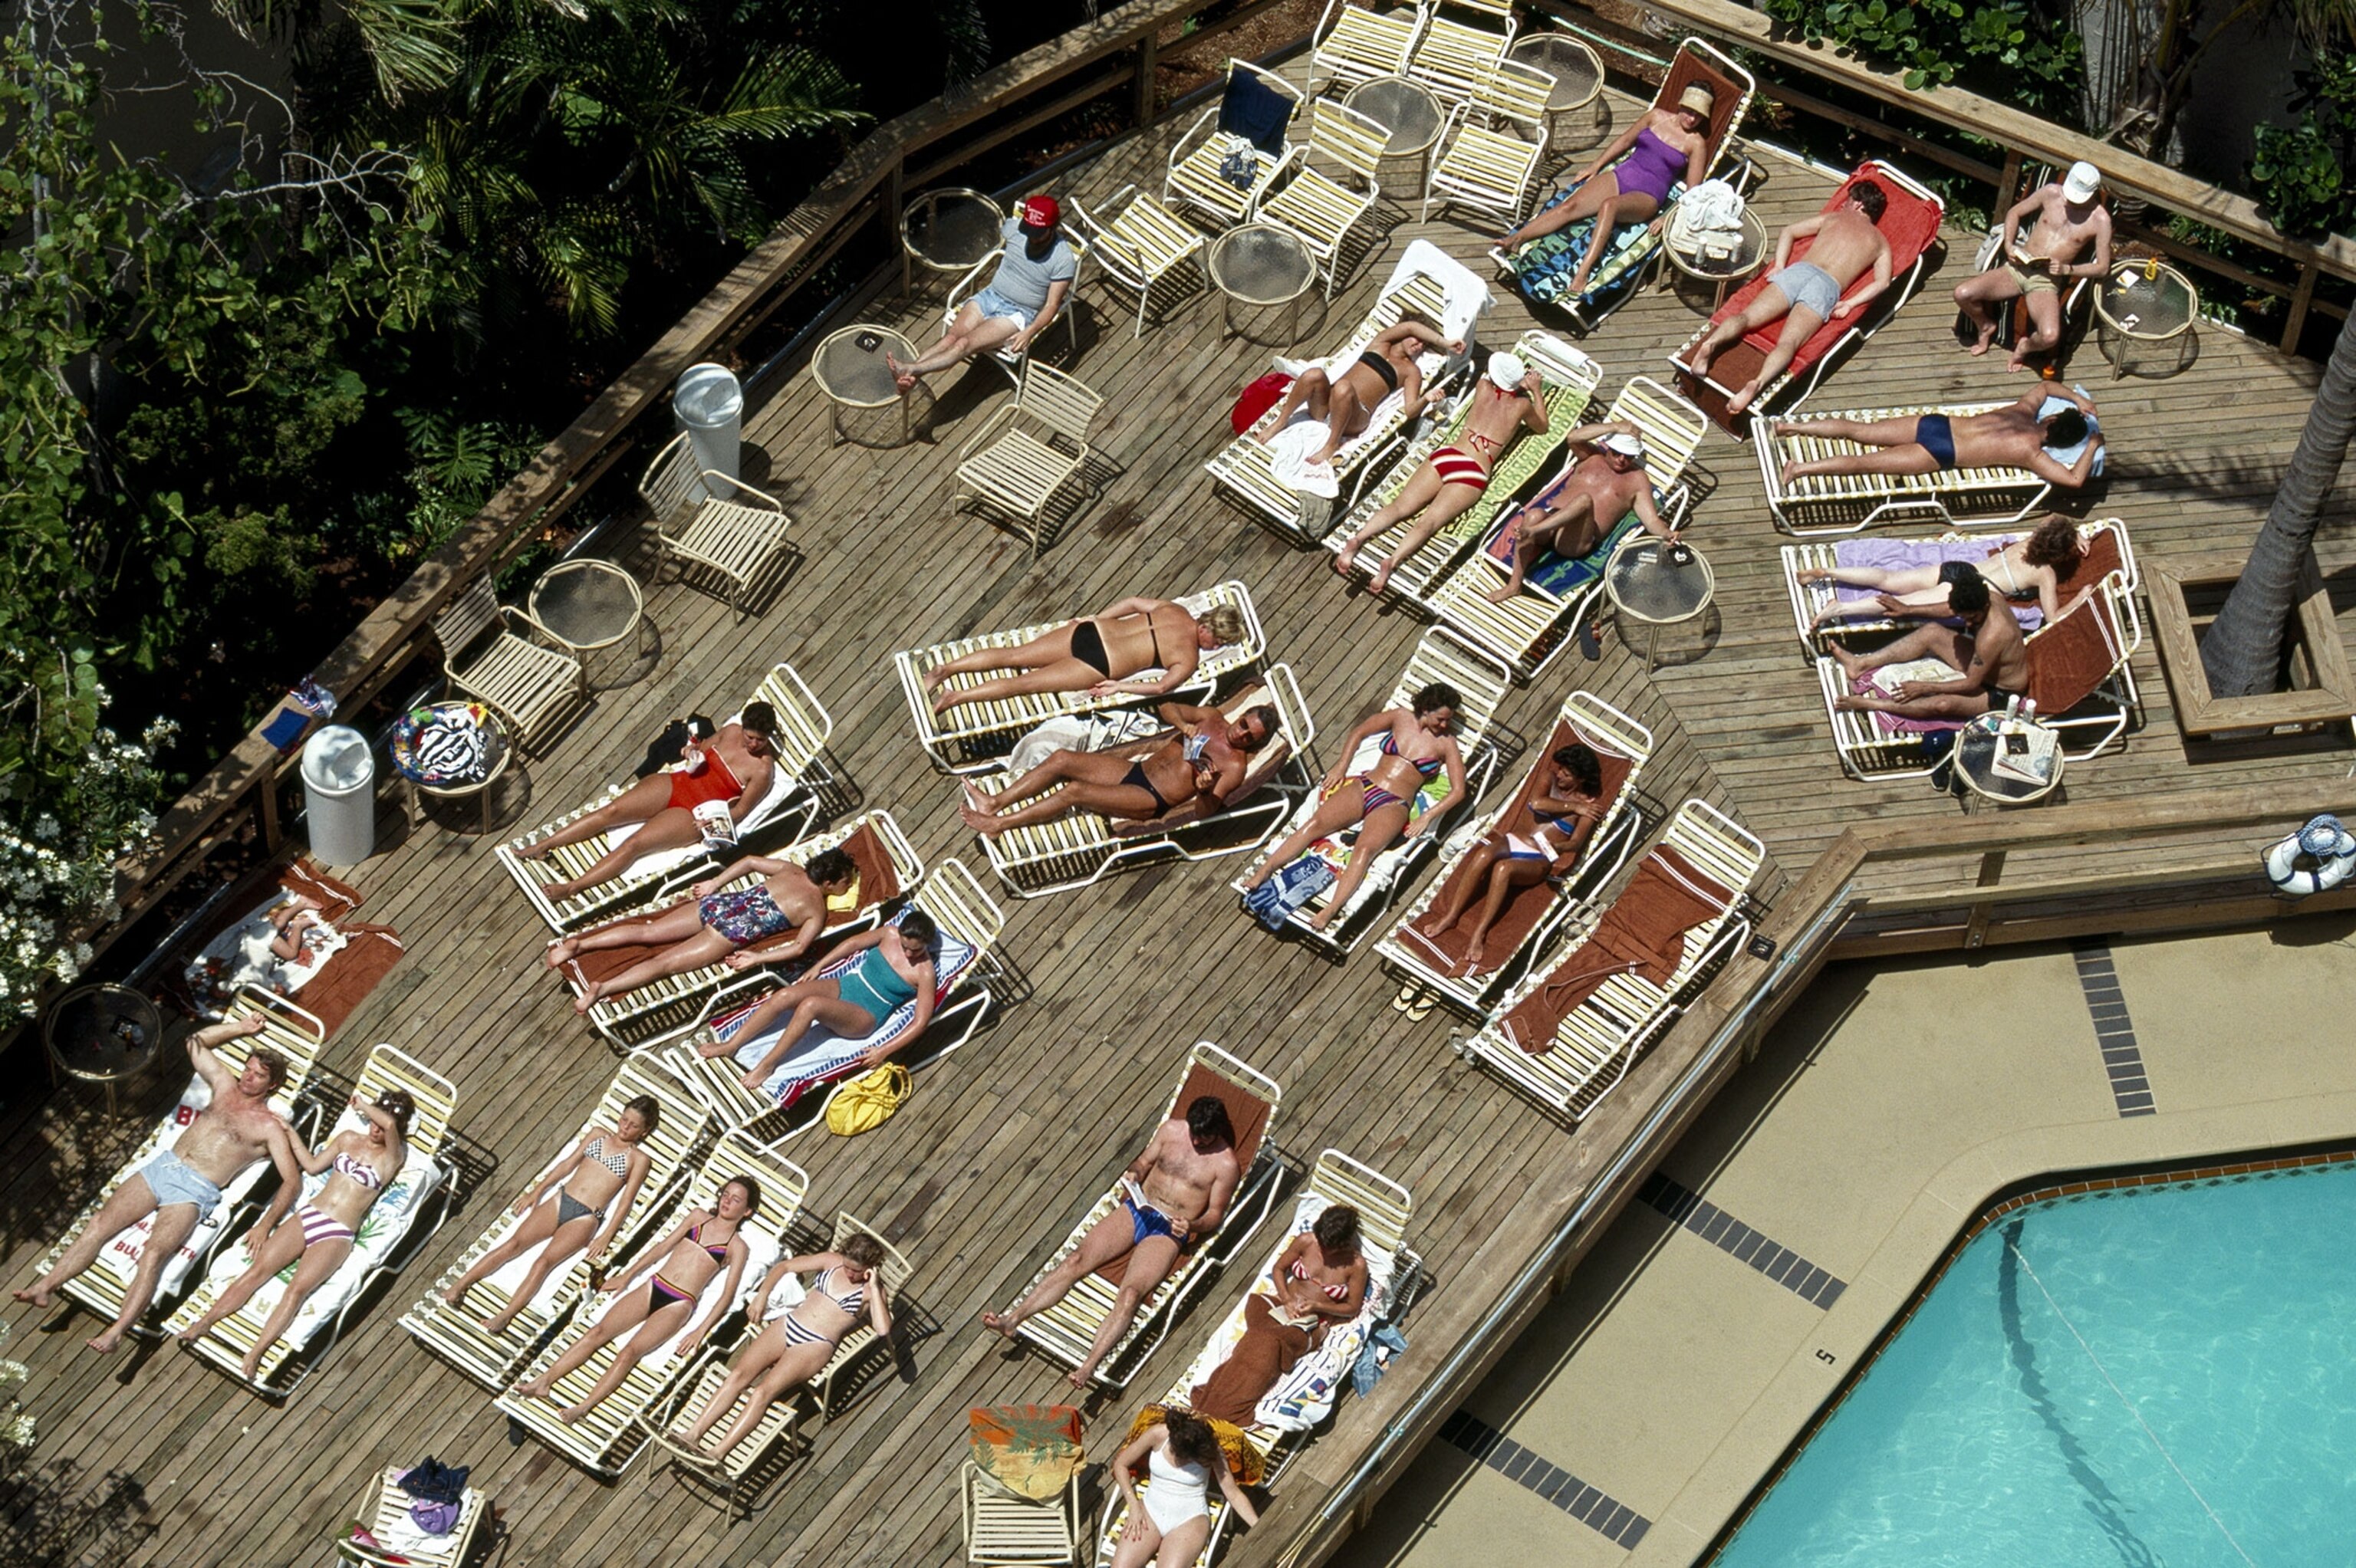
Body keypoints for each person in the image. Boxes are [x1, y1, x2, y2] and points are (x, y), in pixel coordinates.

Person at [17, 1016, 296, 1353]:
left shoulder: (269, 1128)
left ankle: (117, 1331)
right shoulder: (224, 1086)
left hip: (195, 1191)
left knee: (153, 1255)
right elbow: (195, 1041)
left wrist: (265, 1225)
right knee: (99, 1223)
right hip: (163, 1167)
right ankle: (45, 1287)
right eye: (248, 1069)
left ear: (273, 1086)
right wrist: (241, 1028)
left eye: (259, 1075)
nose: (248, 1077)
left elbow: (292, 1180)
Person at [982, 1095, 1242, 1389]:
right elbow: (1144, 1161)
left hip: (1168, 1230)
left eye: (1204, 1137)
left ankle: (1088, 1366)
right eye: (1194, 1133)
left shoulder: (1225, 1164)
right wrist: (1135, 1172)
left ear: (1218, 1131)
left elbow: (1215, 1215)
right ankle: (1012, 1319)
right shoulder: (1172, 1131)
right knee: (1075, 1260)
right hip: (1138, 1208)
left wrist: (1192, 1225)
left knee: (1131, 1294)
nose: (1196, 1141)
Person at [176, 1090, 413, 1379]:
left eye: (382, 1124)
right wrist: (290, 1134)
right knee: (257, 1271)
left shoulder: (394, 1155)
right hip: (311, 1214)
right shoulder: (348, 1139)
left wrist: (363, 1105)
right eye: (374, 1122)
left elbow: (389, 1126)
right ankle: (205, 1322)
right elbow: (312, 1166)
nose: (376, 1128)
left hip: (337, 1231)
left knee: (297, 1290)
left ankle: (256, 1353)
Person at [512, 1175, 760, 1422]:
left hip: (679, 1303)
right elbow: (662, 1248)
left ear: (747, 1211)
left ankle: (584, 1407)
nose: (727, 1201)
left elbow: (728, 1295)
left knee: (629, 1352)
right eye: (725, 1194)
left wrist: (700, 1331)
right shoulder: (698, 1217)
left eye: (736, 1199)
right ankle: (543, 1382)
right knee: (597, 1332)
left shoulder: (737, 1247)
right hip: (654, 1284)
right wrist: (628, 1277)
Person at [1240, 684, 1469, 931]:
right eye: (1442, 719)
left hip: (1393, 803)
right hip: (1366, 784)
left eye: (1449, 721)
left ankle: (1331, 909)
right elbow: (1359, 732)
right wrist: (1341, 766)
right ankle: (1265, 871)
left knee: (1364, 852)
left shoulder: (1447, 744)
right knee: (1314, 824)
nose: (1445, 725)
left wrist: (1427, 816)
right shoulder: (1399, 716)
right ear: (1426, 708)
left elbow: (1458, 791)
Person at [436, 1095, 660, 1333]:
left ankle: (505, 1316)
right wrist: (537, 1191)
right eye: (624, 1119)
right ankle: (459, 1287)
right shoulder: (598, 1134)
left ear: (644, 1131)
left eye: (633, 1125)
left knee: (543, 1263)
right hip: (560, 1199)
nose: (625, 1127)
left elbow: (626, 1201)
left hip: (585, 1218)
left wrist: (606, 1236)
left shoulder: (639, 1159)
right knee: (513, 1244)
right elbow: (567, 1165)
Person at [1333, 353, 1551, 595]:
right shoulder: (1521, 406)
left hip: (1450, 454)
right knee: (1428, 522)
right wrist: (1536, 390)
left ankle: (1357, 539)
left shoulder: (1482, 387)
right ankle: (1391, 561)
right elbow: (1542, 427)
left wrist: (1515, 382)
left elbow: (1494, 379)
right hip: (1475, 468)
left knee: (1399, 507)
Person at [518, 703, 783, 902]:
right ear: (744, 727)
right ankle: (545, 845)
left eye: (760, 739)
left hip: (694, 812)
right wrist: (690, 750)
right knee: (612, 811)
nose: (753, 743)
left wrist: (712, 821)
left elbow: (740, 811)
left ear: (768, 736)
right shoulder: (730, 731)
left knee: (635, 843)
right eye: (750, 736)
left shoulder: (762, 770)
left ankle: (573, 887)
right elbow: (699, 749)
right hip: (679, 782)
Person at [666, 1234, 893, 1465]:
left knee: (762, 1393)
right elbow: (784, 1266)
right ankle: (693, 1434)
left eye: (857, 1271)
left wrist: (874, 1287)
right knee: (738, 1376)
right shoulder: (831, 1261)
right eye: (847, 1266)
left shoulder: (870, 1292)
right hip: (790, 1324)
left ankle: (718, 1452)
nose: (850, 1274)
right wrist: (762, 1295)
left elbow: (883, 1328)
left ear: (870, 1267)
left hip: (815, 1344)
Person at [545, 848, 859, 1015]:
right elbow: (800, 948)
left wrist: (714, 884)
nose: (849, 886)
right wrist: (755, 958)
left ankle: (578, 944)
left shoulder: (790, 869)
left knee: (647, 932)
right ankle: (602, 988)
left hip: (719, 905)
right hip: (729, 933)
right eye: (847, 882)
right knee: (663, 964)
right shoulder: (817, 909)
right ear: (829, 883)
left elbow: (749, 861)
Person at [1689, 181, 1894, 417]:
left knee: (1745, 318)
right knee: (1788, 344)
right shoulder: (1880, 243)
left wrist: (1779, 266)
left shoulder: (1834, 218)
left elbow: (1789, 230)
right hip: (1826, 287)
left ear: (1858, 204)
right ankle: (1757, 382)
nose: (1843, 204)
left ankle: (1710, 345)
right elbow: (1882, 283)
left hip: (1799, 272)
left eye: (1848, 200)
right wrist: (1850, 303)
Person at [1499, 81, 1716, 302]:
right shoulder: (1655, 116)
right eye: (1689, 111)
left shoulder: (1696, 143)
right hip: (1621, 175)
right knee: (1570, 206)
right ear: (1681, 104)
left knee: (1609, 206)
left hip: (1648, 196)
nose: (1691, 119)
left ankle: (1582, 273)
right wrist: (1596, 165)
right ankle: (1517, 238)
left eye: (1698, 116)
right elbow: (1625, 140)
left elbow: (1693, 192)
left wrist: (1667, 216)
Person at [959, 702, 1279, 837]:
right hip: (1135, 769)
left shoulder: (1234, 766)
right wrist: (1184, 725)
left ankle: (999, 823)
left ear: (1254, 744)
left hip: (1150, 797)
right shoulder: (1211, 717)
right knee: (1061, 758)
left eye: (1250, 737)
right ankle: (994, 802)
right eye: (1243, 725)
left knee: (1075, 791)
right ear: (1241, 716)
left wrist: (1205, 789)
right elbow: (1166, 707)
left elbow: (1205, 812)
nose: (1241, 734)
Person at [1420, 743, 1609, 969]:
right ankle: (1450, 916)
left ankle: (1478, 934)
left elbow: (1576, 843)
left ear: (1582, 779)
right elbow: (1536, 803)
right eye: (1561, 769)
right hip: (1513, 841)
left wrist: (1561, 847)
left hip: (1538, 858)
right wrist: (1573, 806)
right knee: (1483, 855)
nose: (1560, 775)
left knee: (1504, 869)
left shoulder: (1589, 808)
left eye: (1567, 775)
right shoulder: (1548, 779)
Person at [703, 912, 940, 1090]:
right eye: (905, 946)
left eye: (916, 951)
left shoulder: (925, 972)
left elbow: (920, 1022)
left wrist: (884, 1051)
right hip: (849, 985)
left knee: (811, 1006)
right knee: (785, 995)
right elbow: (853, 944)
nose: (909, 954)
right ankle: (732, 1045)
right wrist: (819, 967)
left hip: (865, 1013)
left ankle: (768, 1065)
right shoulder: (889, 933)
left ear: (927, 945)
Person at [1189, 1205, 1367, 1427]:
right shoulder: (1307, 1241)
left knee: (1264, 1341)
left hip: (1309, 1322)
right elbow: (1279, 1269)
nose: (1325, 1252)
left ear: (1345, 1243)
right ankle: (1225, 1407)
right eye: (1322, 1244)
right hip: (1278, 1306)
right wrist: (1286, 1299)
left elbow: (1352, 1307)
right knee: (1260, 1335)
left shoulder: (1356, 1265)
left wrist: (1318, 1305)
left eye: (1332, 1249)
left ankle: (1220, 1407)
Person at [923, 597, 1248, 716]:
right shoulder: (1188, 657)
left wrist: (1096, 618)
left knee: (1014, 654)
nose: (1216, 647)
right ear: (1209, 628)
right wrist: (1120, 688)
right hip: (1099, 665)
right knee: (1023, 684)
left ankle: (946, 669)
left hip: (1092, 633)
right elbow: (1162, 688)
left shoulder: (1174, 610)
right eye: (1219, 641)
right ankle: (956, 697)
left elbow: (1133, 603)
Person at [890, 195, 1078, 390]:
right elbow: (983, 232)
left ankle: (910, 370)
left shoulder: (1063, 259)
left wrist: (1030, 331)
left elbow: (1052, 305)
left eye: (1038, 232)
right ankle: (911, 374)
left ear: (1052, 227)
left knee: (963, 345)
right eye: (1029, 229)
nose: (1031, 236)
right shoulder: (1014, 229)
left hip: (1017, 314)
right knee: (951, 338)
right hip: (990, 296)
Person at [1772, 383, 2104, 491]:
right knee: (1864, 463)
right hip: (1944, 451)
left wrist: (2079, 401)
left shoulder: (2022, 411)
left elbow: (2046, 387)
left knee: (1861, 432)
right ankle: (1798, 471)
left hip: (1937, 425)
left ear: (2053, 417)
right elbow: (2075, 480)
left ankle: (1790, 428)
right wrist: (2091, 445)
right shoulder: (2032, 453)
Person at [1482, 421, 1675, 603]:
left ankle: (1532, 531)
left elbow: (1651, 520)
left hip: (1575, 540)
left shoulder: (1637, 480)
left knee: (1583, 501)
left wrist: (1666, 533)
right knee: (1533, 516)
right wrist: (1615, 426)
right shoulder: (1591, 456)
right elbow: (1573, 437)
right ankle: (1514, 585)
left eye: (1629, 456)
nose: (1622, 459)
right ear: (1608, 447)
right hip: (1551, 521)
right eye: (1617, 453)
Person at [1799, 514, 2099, 629]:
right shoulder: (2044, 573)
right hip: (1968, 586)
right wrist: (2081, 596)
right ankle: (1840, 608)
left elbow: (2054, 518)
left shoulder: (2028, 539)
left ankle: (1828, 571)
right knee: (1902, 604)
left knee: (1889, 579)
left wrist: (2074, 533)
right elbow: (2053, 617)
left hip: (1959, 568)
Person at [1955, 159, 2113, 371]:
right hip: (2018, 266)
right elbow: (2014, 213)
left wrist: (2068, 270)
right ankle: (1985, 326)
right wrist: (2010, 245)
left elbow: (2103, 267)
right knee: (1962, 293)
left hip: (2045, 281)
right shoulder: (2051, 193)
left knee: (2049, 336)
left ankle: (2024, 347)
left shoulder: (2100, 220)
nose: (2072, 202)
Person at [1257, 317, 1463, 468]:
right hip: (1328, 405)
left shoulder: (1410, 371)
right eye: (1417, 340)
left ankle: (1332, 444)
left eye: (1424, 345)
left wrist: (1425, 399)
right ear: (1403, 333)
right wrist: (1445, 343)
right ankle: (1280, 422)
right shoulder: (1380, 344)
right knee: (1313, 374)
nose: (1419, 346)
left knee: (1344, 387)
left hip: (1355, 417)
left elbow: (1410, 411)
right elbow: (1410, 326)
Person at [1829, 569, 2031, 721]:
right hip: (1984, 664)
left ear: (1985, 606)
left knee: (1943, 704)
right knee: (1932, 631)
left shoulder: (1992, 635)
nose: (1968, 624)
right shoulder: (1986, 596)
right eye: (1964, 618)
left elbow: (1971, 683)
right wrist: (1908, 609)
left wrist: (1922, 687)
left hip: (2001, 690)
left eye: (1973, 619)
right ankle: (1861, 664)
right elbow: (1951, 609)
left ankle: (1871, 704)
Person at [1109, 1408, 1260, 1568]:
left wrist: (1259, 1527)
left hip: (1189, 1520)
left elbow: (1233, 1493)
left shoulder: (1210, 1449)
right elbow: (1121, 1464)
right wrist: (1134, 1505)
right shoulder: (1158, 1435)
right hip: (1150, 1511)